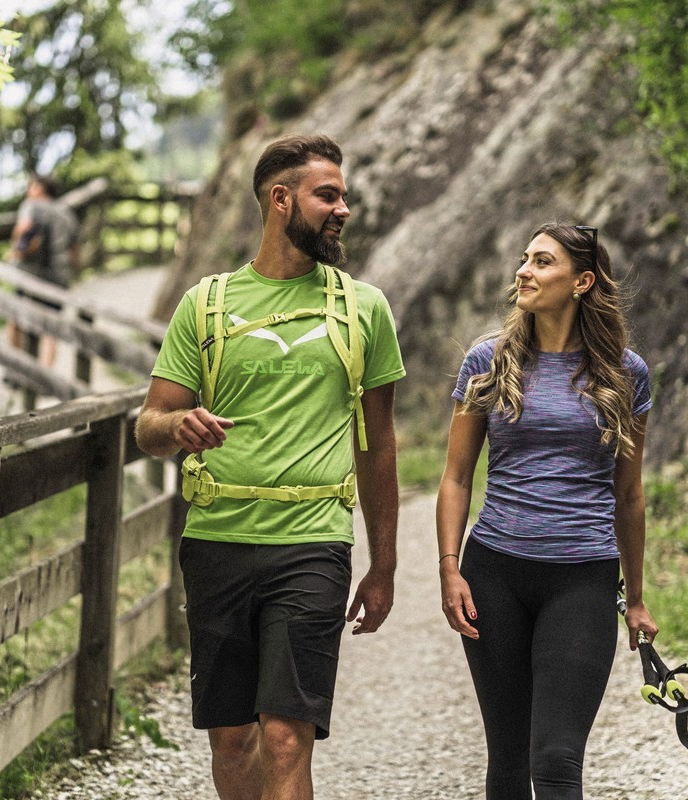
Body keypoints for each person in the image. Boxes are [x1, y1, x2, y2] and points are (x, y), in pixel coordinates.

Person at [135, 133, 405, 800]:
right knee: (232, 743)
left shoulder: (363, 309)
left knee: (287, 738)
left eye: (344, 195)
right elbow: (148, 425)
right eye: (328, 195)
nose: (344, 208)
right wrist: (178, 425)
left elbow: (379, 446)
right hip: (217, 541)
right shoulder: (206, 304)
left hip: (313, 544)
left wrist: (385, 566)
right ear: (281, 200)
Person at [436, 222, 659, 800]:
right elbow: (457, 476)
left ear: (581, 281)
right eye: (524, 259)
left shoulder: (624, 374)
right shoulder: (488, 362)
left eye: (541, 262)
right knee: (508, 761)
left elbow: (629, 494)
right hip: (495, 573)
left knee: (558, 762)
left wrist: (634, 598)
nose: (523, 271)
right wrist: (449, 567)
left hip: (582, 580)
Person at [6, 174, 79, 367]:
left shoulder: (31, 206)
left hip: (30, 275)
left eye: (31, 186)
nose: (28, 190)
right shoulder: (67, 212)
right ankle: (45, 375)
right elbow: (74, 251)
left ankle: (15, 369)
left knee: (17, 320)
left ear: (40, 188)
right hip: (59, 276)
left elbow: (24, 230)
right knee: (50, 328)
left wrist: (15, 251)